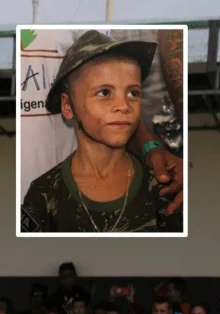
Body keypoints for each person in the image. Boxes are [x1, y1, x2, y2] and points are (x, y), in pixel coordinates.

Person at [21, 31, 182, 233]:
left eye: (133, 93)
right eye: (105, 93)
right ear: (68, 106)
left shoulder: (163, 189)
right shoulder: (43, 193)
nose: (123, 106)